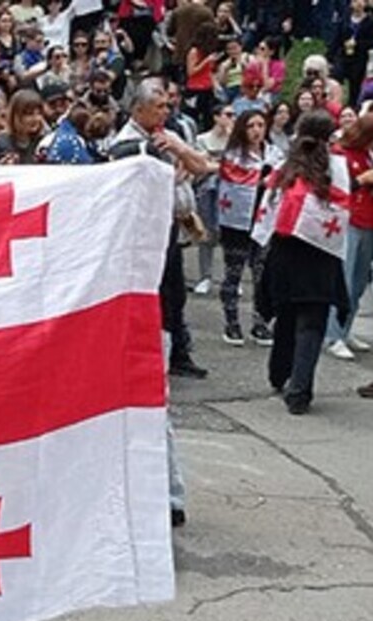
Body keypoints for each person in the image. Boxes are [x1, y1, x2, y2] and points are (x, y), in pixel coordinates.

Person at [108, 80, 217, 524]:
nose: (165, 112)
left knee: (158, 396)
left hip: (166, 268)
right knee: (149, 397)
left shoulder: (167, 137)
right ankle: (160, 493)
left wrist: (179, 151)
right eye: (157, 106)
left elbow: (203, 166)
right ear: (137, 108)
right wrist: (172, 171)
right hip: (141, 276)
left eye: (168, 106)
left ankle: (167, 494)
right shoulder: (127, 149)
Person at [259, 111, 352, 414]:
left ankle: (279, 374)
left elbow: (269, 205)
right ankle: (299, 392)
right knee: (311, 324)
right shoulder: (336, 167)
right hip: (320, 255)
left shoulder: (287, 165)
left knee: (286, 317)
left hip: (285, 252)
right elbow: (343, 207)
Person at [216, 108, 282, 347]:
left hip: (263, 221)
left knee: (261, 274)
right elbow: (237, 177)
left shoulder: (274, 154)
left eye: (260, 125)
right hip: (236, 223)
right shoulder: (233, 155)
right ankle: (231, 322)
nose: (256, 130)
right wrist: (263, 179)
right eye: (251, 126)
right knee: (234, 272)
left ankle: (260, 322)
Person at [324, 112, 373, 359]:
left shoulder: (367, 155)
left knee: (359, 282)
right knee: (344, 280)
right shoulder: (341, 154)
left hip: (368, 221)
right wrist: (363, 179)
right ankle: (332, 335)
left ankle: (345, 328)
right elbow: (336, 189)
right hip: (349, 221)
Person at [192, 104, 235, 295]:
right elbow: (201, 164)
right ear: (216, 117)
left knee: (230, 235)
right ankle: (205, 276)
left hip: (231, 191)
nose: (231, 118)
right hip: (208, 190)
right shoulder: (202, 139)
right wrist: (222, 165)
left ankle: (232, 277)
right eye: (228, 114)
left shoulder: (235, 140)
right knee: (207, 233)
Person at [0, 88, 46, 164]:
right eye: (29, 114)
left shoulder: (43, 142)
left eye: (39, 113)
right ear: (14, 116)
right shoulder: (1, 143)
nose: (36, 119)